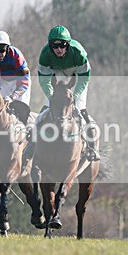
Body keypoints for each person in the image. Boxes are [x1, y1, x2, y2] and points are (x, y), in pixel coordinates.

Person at [33, 25, 99, 161]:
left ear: (67, 44)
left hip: (77, 80)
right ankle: (31, 148)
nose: (59, 49)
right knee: (42, 114)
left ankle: (92, 148)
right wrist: (52, 97)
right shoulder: (45, 55)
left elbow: (84, 78)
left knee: (80, 112)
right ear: (50, 46)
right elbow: (44, 80)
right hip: (57, 81)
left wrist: (74, 97)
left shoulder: (78, 53)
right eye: (55, 46)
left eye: (62, 45)